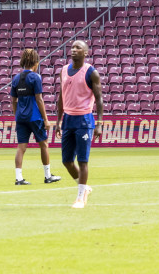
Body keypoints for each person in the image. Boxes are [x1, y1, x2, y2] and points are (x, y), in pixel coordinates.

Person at [53, 40, 104, 209]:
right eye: (72, 47)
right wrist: (58, 121)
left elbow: (99, 99)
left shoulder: (91, 72)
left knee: (82, 161)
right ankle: (84, 189)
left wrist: (99, 123)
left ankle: (80, 198)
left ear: (86, 53)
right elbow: (61, 97)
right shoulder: (63, 70)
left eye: (78, 48)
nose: (74, 50)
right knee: (67, 161)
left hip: (84, 120)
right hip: (68, 119)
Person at [10, 48, 61, 186]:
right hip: (34, 117)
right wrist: (45, 119)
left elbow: (13, 101)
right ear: (36, 63)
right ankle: (47, 175)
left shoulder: (15, 78)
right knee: (44, 144)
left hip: (21, 118)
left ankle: (19, 178)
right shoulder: (36, 77)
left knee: (21, 147)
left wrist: (17, 116)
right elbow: (39, 99)